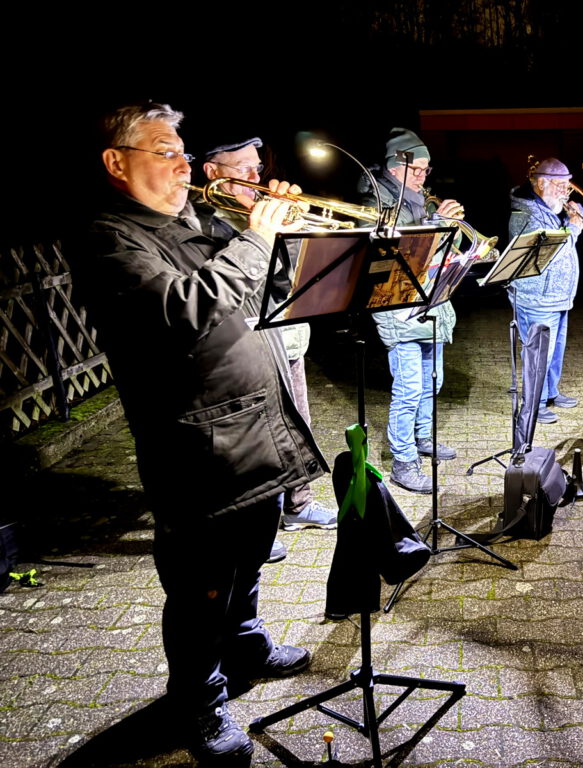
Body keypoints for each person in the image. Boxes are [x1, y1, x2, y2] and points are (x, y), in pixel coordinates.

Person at [72, 103, 328, 762]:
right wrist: (258, 237)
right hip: (198, 450)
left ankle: (247, 641)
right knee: (198, 589)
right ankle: (199, 701)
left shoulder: (206, 221)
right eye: (165, 150)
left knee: (251, 560)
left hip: (259, 430)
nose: (183, 163)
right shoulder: (112, 239)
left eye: (184, 151)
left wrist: (285, 236)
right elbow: (186, 311)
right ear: (116, 162)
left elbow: (268, 294)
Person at [200, 137, 338, 548]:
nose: (255, 178)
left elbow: (288, 285)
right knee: (258, 440)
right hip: (244, 350)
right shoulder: (208, 224)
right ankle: (261, 520)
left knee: (296, 426)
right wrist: (259, 233)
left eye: (256, 168)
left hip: (286, 340)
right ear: (213, 173)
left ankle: (298, 505)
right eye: (242, 168)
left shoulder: (255, 215)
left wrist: (293, 236)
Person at [356, 127, 461, 494]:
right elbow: (391, 255)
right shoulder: (374, 204)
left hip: (431, 300)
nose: (422, 176)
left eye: (426, 170)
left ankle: (423, 438)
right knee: (409, 388)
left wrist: (450, 226)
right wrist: (436, 226)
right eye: (416, 168)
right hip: (396, 304)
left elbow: (447, 247)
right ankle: (403, 461)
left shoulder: (422, 201)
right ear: (394, 167)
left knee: (434, 381)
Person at [508, 157, 583, 425]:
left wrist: (572, 214)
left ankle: (550, 392)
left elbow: (566, 224)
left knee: (556, 350)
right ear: (540, 183)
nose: (566, 191)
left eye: (568, 185)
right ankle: (534, 405)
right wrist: (574, 224)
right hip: (536, 297)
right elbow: (555, 246)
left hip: (558, 296)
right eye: (560, 185)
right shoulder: (526, 214)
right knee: (538, 354)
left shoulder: (550, 207)